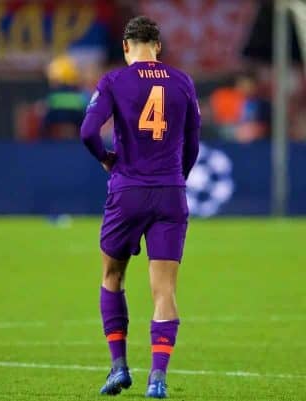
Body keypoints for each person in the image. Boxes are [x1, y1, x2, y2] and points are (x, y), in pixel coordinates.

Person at [79, 16, 200, 398]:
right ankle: (158, 378)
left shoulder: (114, 81)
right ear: (158, 46)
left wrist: (106, 159)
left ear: (126, 47)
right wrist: (174, 178)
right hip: (170, 192)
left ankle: (118, 368)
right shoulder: (182, 82)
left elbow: (86, 132)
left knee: (112, 276)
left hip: (127, 190)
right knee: (164, 289)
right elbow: (192, 143)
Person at [40, 55, 88, 140]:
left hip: (51, 144)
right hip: (78, 143)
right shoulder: (81, 95)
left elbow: (44, 115)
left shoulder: (52, 96)